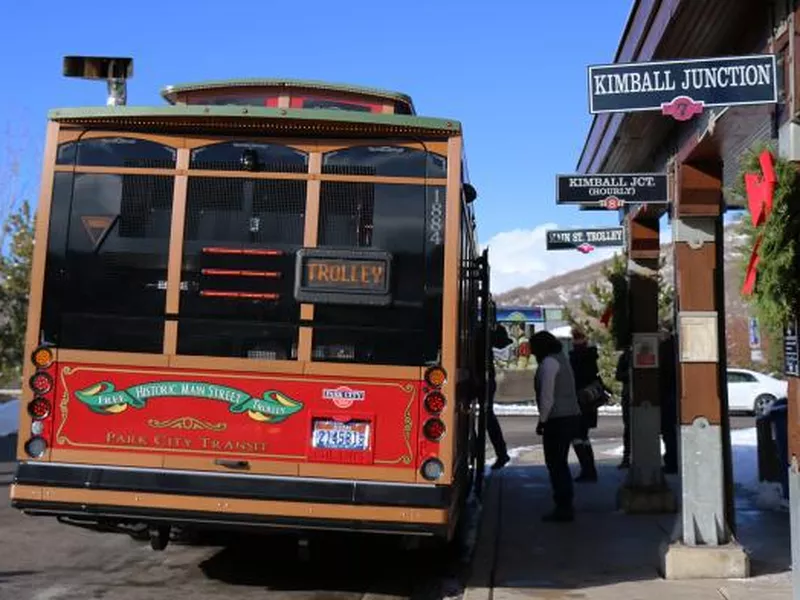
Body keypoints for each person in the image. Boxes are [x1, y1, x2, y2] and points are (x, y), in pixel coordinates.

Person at [531, 331, 582, 522]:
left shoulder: (548, 364)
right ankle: (564, 503)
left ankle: (563, 505)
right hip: (570, 415)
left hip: (557, 419)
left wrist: (542, 420)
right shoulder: (561, 359)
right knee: (559, 462)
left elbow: (547, 396)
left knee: (555, 463)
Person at [568, 328, 601, 482]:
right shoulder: (591, 357)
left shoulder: (575, 359)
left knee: (577, 436)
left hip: (577, 401)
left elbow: (573, 380)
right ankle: (589, 469)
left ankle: (587, 469)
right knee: (584, 436)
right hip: (590, 401)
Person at [486, 321, 512, 469]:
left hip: (483, 379)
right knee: (488, 417)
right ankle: (501, 453)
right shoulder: (484, 327)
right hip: (486, 378)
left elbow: (501, 342)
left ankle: (501, 453)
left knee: (488, 417)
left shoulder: (481, 328)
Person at [659, 326, 678, 474]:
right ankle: (673, 460)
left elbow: (661, 371)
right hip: (674, 393)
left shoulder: (664, 349)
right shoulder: (677, 346)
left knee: (668, 431)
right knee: (671, 431)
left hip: (667, 394)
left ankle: (671, 461)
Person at [615, 347, 632, 469]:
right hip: (628, 394)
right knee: (628, 427)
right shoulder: (625, 357)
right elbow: (618, 375)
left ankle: (628, 457)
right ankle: (627, 457)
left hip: (637, 394)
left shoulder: (625, 356)